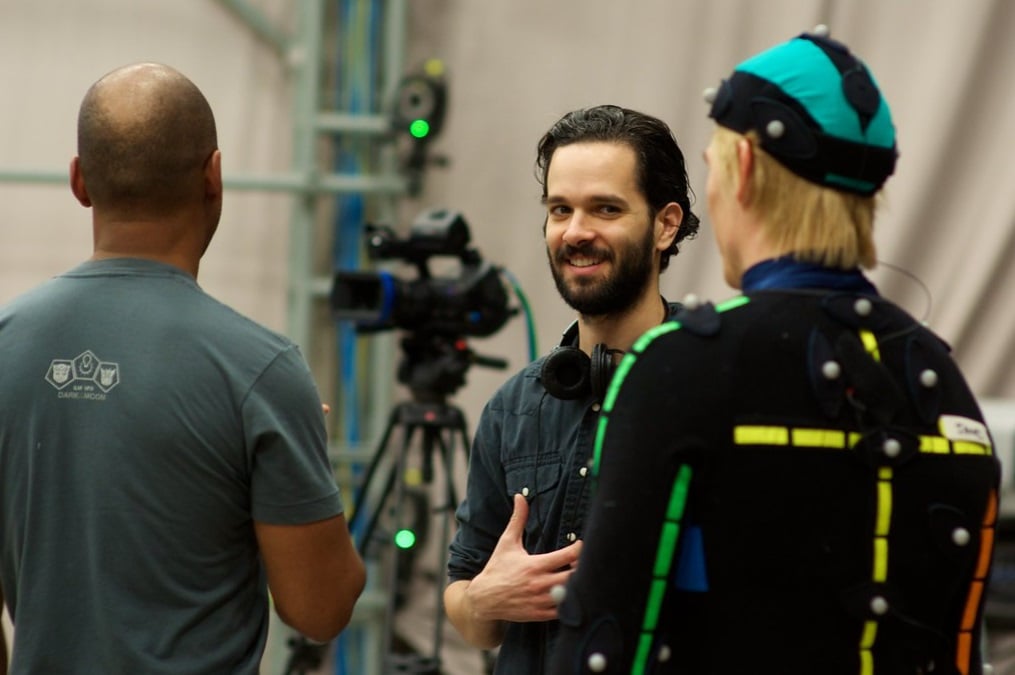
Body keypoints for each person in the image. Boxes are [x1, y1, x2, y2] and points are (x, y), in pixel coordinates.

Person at [547, 28, 1002, 675]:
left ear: (746, 170)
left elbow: (603, 645)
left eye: (713, 169)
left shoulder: (679, 365)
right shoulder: (939, 376)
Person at [0, 63, 366, 674]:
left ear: (79, 180)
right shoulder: (260, 372)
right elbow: (320, 609)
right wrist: (293, 465)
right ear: (213, 176)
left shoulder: (5, 343)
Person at [443, 104, 700, 673]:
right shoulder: (514, 406)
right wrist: (484, 601)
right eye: (561, 209)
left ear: (665, 224)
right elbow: (465, 599)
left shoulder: (715, 386)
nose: (576, 232)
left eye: (606, 209)